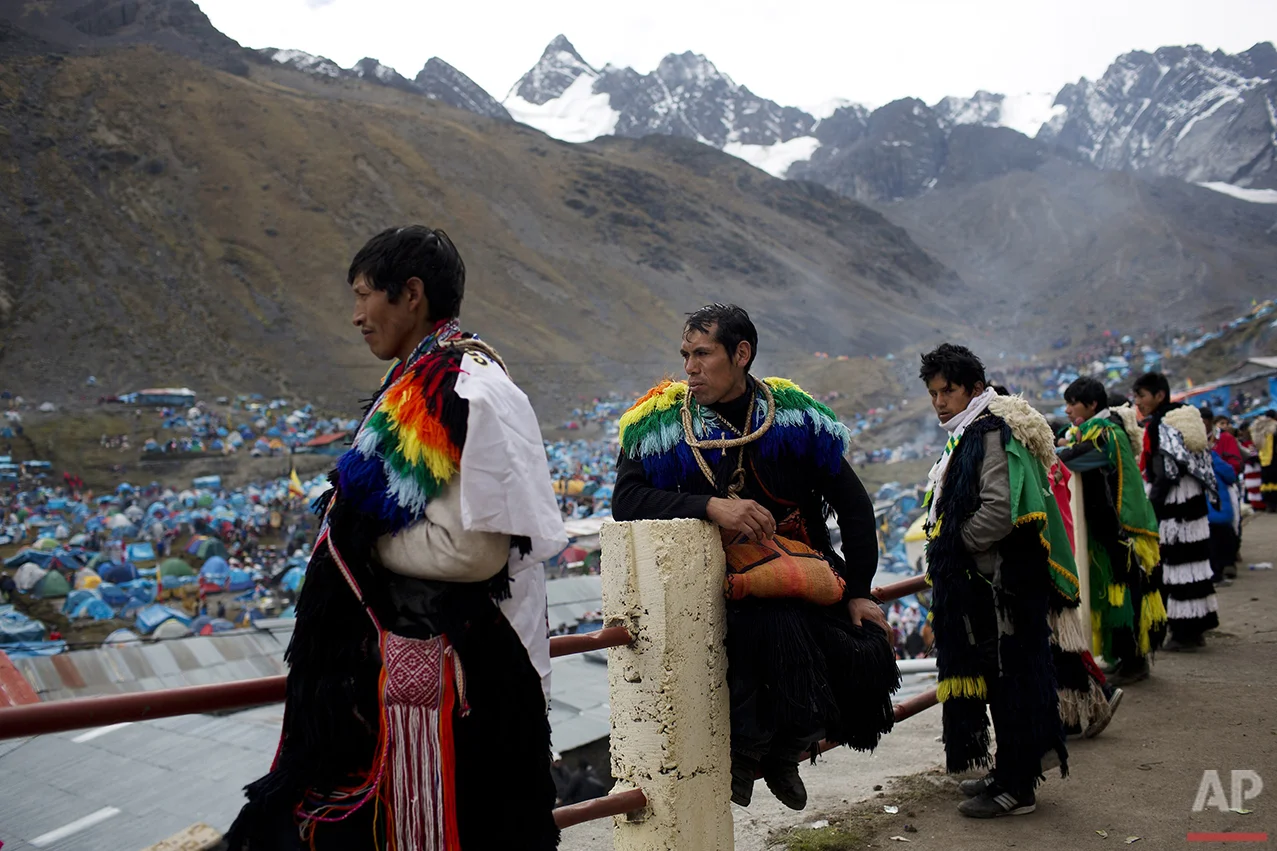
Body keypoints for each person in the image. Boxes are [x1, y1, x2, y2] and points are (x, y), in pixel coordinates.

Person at [227, 226, 566, 850]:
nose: (356, 316)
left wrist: (353, 541)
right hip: (435, 669)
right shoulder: (426, 377)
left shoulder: (456, 387)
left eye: (364, 296)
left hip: (453, 681)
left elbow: (472, 550)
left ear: (410, 294)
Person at [612, 303, 899, 811]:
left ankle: (786, 749)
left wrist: (857, 592)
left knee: (864, 647)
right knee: (769, 626)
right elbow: (626, 500)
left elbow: (854, 507)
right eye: (685, 355)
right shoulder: (657, 423)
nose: (690, 368)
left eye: (703, 354)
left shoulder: (792, 417)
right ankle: (750, 755)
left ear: (741, 354)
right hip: (720, 589)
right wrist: (709, 506)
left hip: (804, 574)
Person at [919, 344, 1076, 818]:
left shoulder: (988, 433)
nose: (940, 402)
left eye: (948, 390)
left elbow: (1000, 510)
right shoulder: (974, 430)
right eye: (933, 393)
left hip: (999, 586)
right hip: (991, 585)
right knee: (999, 681)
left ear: (974, 388)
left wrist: (954, 541)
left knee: (1008, 684)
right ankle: (1009, 769)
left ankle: (1017, 788)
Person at [1057, 377, 1166, 686]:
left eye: (1072, 403)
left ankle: (1135, 661)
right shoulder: (1091, 430)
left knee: (1125, 595)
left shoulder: (1107, 434)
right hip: (1106, 530)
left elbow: (1081, 456)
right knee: (1112, 596)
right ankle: (1123, 657)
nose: (1067, 410)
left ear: (1092, 405)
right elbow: (1072, 441)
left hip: (1122, 530)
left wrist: (1057, 452)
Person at [1133, 372, 1219, 652]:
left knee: (1176, 565)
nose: (1138, 402)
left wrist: (1151, 508)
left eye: (1142, 396)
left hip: (1174, 505)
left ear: (1159, 396)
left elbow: (1165, 473)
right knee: (1194, 563)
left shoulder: (1160, 424)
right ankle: (1197, 627)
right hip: (1193, 501)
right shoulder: (1187, 418)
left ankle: (1183, 632)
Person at [1248, 412, 1277, 512]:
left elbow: (1253, 444)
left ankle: (1269, 504)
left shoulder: (1256, 427)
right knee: (1274, 482)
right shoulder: (1274, 427)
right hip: (1274, 459)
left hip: (1262, 459)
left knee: (1266, 482)